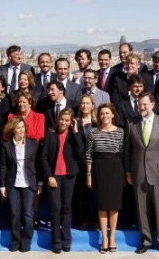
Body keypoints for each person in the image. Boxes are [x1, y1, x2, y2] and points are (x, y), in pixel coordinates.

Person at [124, 92, 159, 255]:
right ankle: (146, 241)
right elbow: (127, 150)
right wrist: (128, 171)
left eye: (145, 104)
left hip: (158, 172)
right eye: (139, 104)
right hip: (138, 172)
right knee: (142, 210)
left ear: (153, 104)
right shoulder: (131, 122)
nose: (141, 107)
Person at [41, 108, 84, 253]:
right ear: (58, 119)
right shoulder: (51, 135)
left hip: (69, 176)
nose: (63, 122)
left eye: (67, 120)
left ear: (71, 122)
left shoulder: (73, 136)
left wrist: (76, 130)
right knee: (55, 209)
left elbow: (81, 150)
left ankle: (66, 240)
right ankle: (56, 242)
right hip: (54, 177)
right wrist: (49, 176)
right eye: (62, 119)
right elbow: (44, 157)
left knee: (67, 208)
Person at [86, 103, 125, 254]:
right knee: (102, 205)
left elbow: (122, 153)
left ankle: (113, 237)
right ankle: (104, 238)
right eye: (102, 113)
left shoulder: (120, 132)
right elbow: (89, 154)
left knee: (114, 205)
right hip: (99, 168)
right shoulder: (94, 132)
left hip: (115, 168)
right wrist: (88, 175)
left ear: (113, 114)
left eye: (107, 113)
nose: (105, 116)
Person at [0, 116, 43, 252]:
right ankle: (15, 242)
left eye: (23, 127)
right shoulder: (6, 145)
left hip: (29, 183)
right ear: (13, 130)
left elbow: (38, 165)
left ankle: (26, 242)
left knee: (28, 214)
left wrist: (40, 182)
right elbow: (3, 166)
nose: (21, 130)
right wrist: (2, 185)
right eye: (18, 128)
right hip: (13, 183)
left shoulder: (33, 143)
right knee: (14, 213)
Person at [8, 91, 45, 227]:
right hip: (15, 153)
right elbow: (8, 134)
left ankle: (33, 216)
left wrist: (22, 135)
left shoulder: (39, 117)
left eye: (24, 101)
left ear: (30, 103)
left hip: (34, 155)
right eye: (19, 102)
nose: (21, 104)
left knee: (32, 187)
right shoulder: (12, 116)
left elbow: (39, 135)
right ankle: (15, 220)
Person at [73, 94, 97, 230]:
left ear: (93, 106)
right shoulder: (76, 122)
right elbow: (78, 147)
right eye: (82, 103)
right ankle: (85, 220)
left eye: (88, 103)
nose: (85, 106)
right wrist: (76, 132)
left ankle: (98, 221)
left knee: (96, 193)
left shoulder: (98, 122)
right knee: (82, 193)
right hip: (80, 162)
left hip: (96, 162)